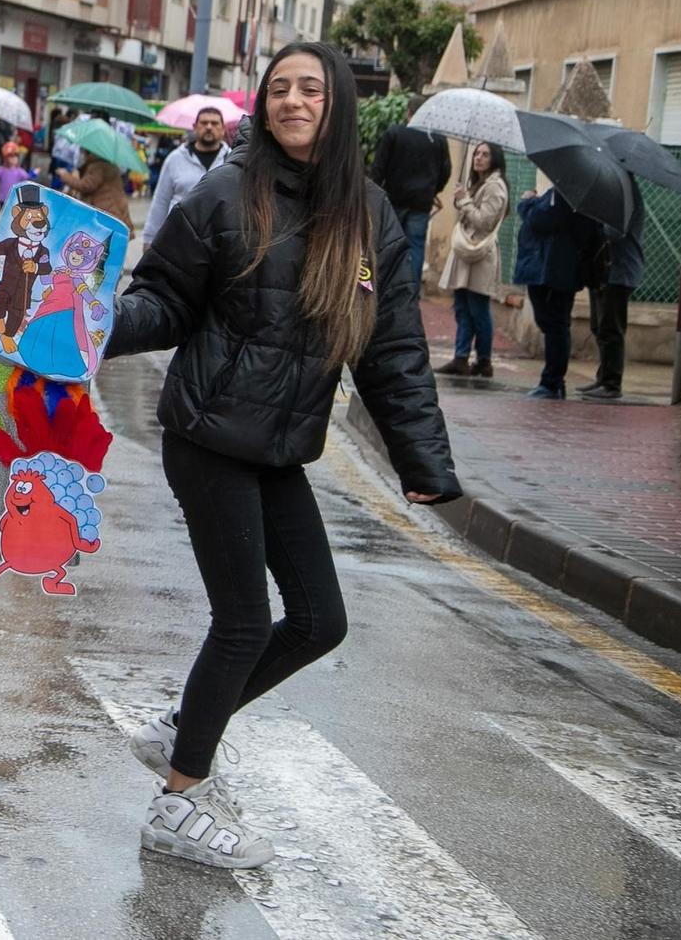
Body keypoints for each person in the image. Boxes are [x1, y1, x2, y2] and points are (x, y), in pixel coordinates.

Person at [106, 42, 459, 870]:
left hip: (278, 447)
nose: (294, 100)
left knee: (319, 620)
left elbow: (394, 347)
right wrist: (78, 330)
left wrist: (424, 461)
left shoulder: (368, 216)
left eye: (311, 88)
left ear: (336, 104)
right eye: (279, 89)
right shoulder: (226, 194)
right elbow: (159, 300)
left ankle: (181, 730)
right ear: (261, 106)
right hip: (209, 436)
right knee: (241, 623)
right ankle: (179, 798)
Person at [512, 185, 599, 400]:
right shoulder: (568, 194)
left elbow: (541, 220)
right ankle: (553, 381)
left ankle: (552, 382)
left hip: (552, 271)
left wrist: (528, 202)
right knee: (553, 324)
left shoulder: (565, 193)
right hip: (555, 270)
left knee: (555, 326)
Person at [434, 142, 509, 379]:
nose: (478, 158)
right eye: (477, 153)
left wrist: (465, 201)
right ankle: (461, 357)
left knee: (478, 308)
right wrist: (462, 199)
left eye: (485, 154)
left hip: (479, 254)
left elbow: (484, 222)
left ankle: (484, 361)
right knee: (462, 307)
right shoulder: (479, 184)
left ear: (494, 158)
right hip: (468, 253)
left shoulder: (495, 187)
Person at [368, 104, 451, 290]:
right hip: (421, 203)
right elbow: (446, 171)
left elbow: (378, 167)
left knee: (388, 243)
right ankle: (410, 290)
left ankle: (385, 286)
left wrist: (373, 194)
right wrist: (432, 191)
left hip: (394, 199)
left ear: (409, 112)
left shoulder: (395, 133)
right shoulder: (438, 139)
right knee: (415, 247)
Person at [580, 185, 644, 401]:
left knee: (611, 329)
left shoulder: (626, 195)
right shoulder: (615, 193)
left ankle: (611, 384)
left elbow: (614, 232)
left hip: (620, 271)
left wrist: (597, 217)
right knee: (599, 326)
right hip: (604, 271)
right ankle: (603, 378)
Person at [144, 106, 231, 243]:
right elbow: (161, 200)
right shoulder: (175, 159)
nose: (209, 127)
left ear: (223, 129)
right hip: (178, 240)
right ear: (195, 127)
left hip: (220, 243)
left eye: (214, 123)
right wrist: (149, 238)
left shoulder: (233, 160)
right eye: (204, 123)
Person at [55, 150, 135, 236]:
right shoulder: (107, 163)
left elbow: (86, 186)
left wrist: (65, 175)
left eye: (83, 152)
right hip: (114, 206)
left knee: (105, 239)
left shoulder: (98, 166)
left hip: (108, 208)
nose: (81, 155)